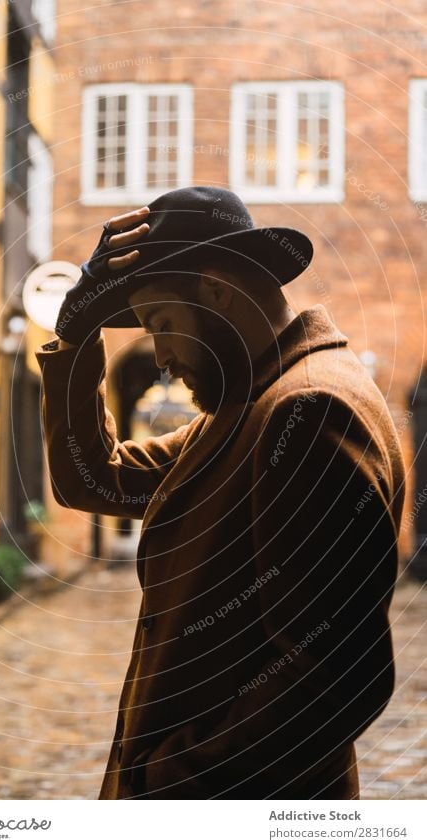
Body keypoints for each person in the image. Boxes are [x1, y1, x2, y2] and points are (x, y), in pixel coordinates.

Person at [35, 186, 406, 799]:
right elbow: (92, 477)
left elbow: (334, 676)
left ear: (216, 289)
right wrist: (75, 337)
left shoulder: (305, 411)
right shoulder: (248, 403)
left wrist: (169, 783)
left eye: (162, 324)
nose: (160, 357)